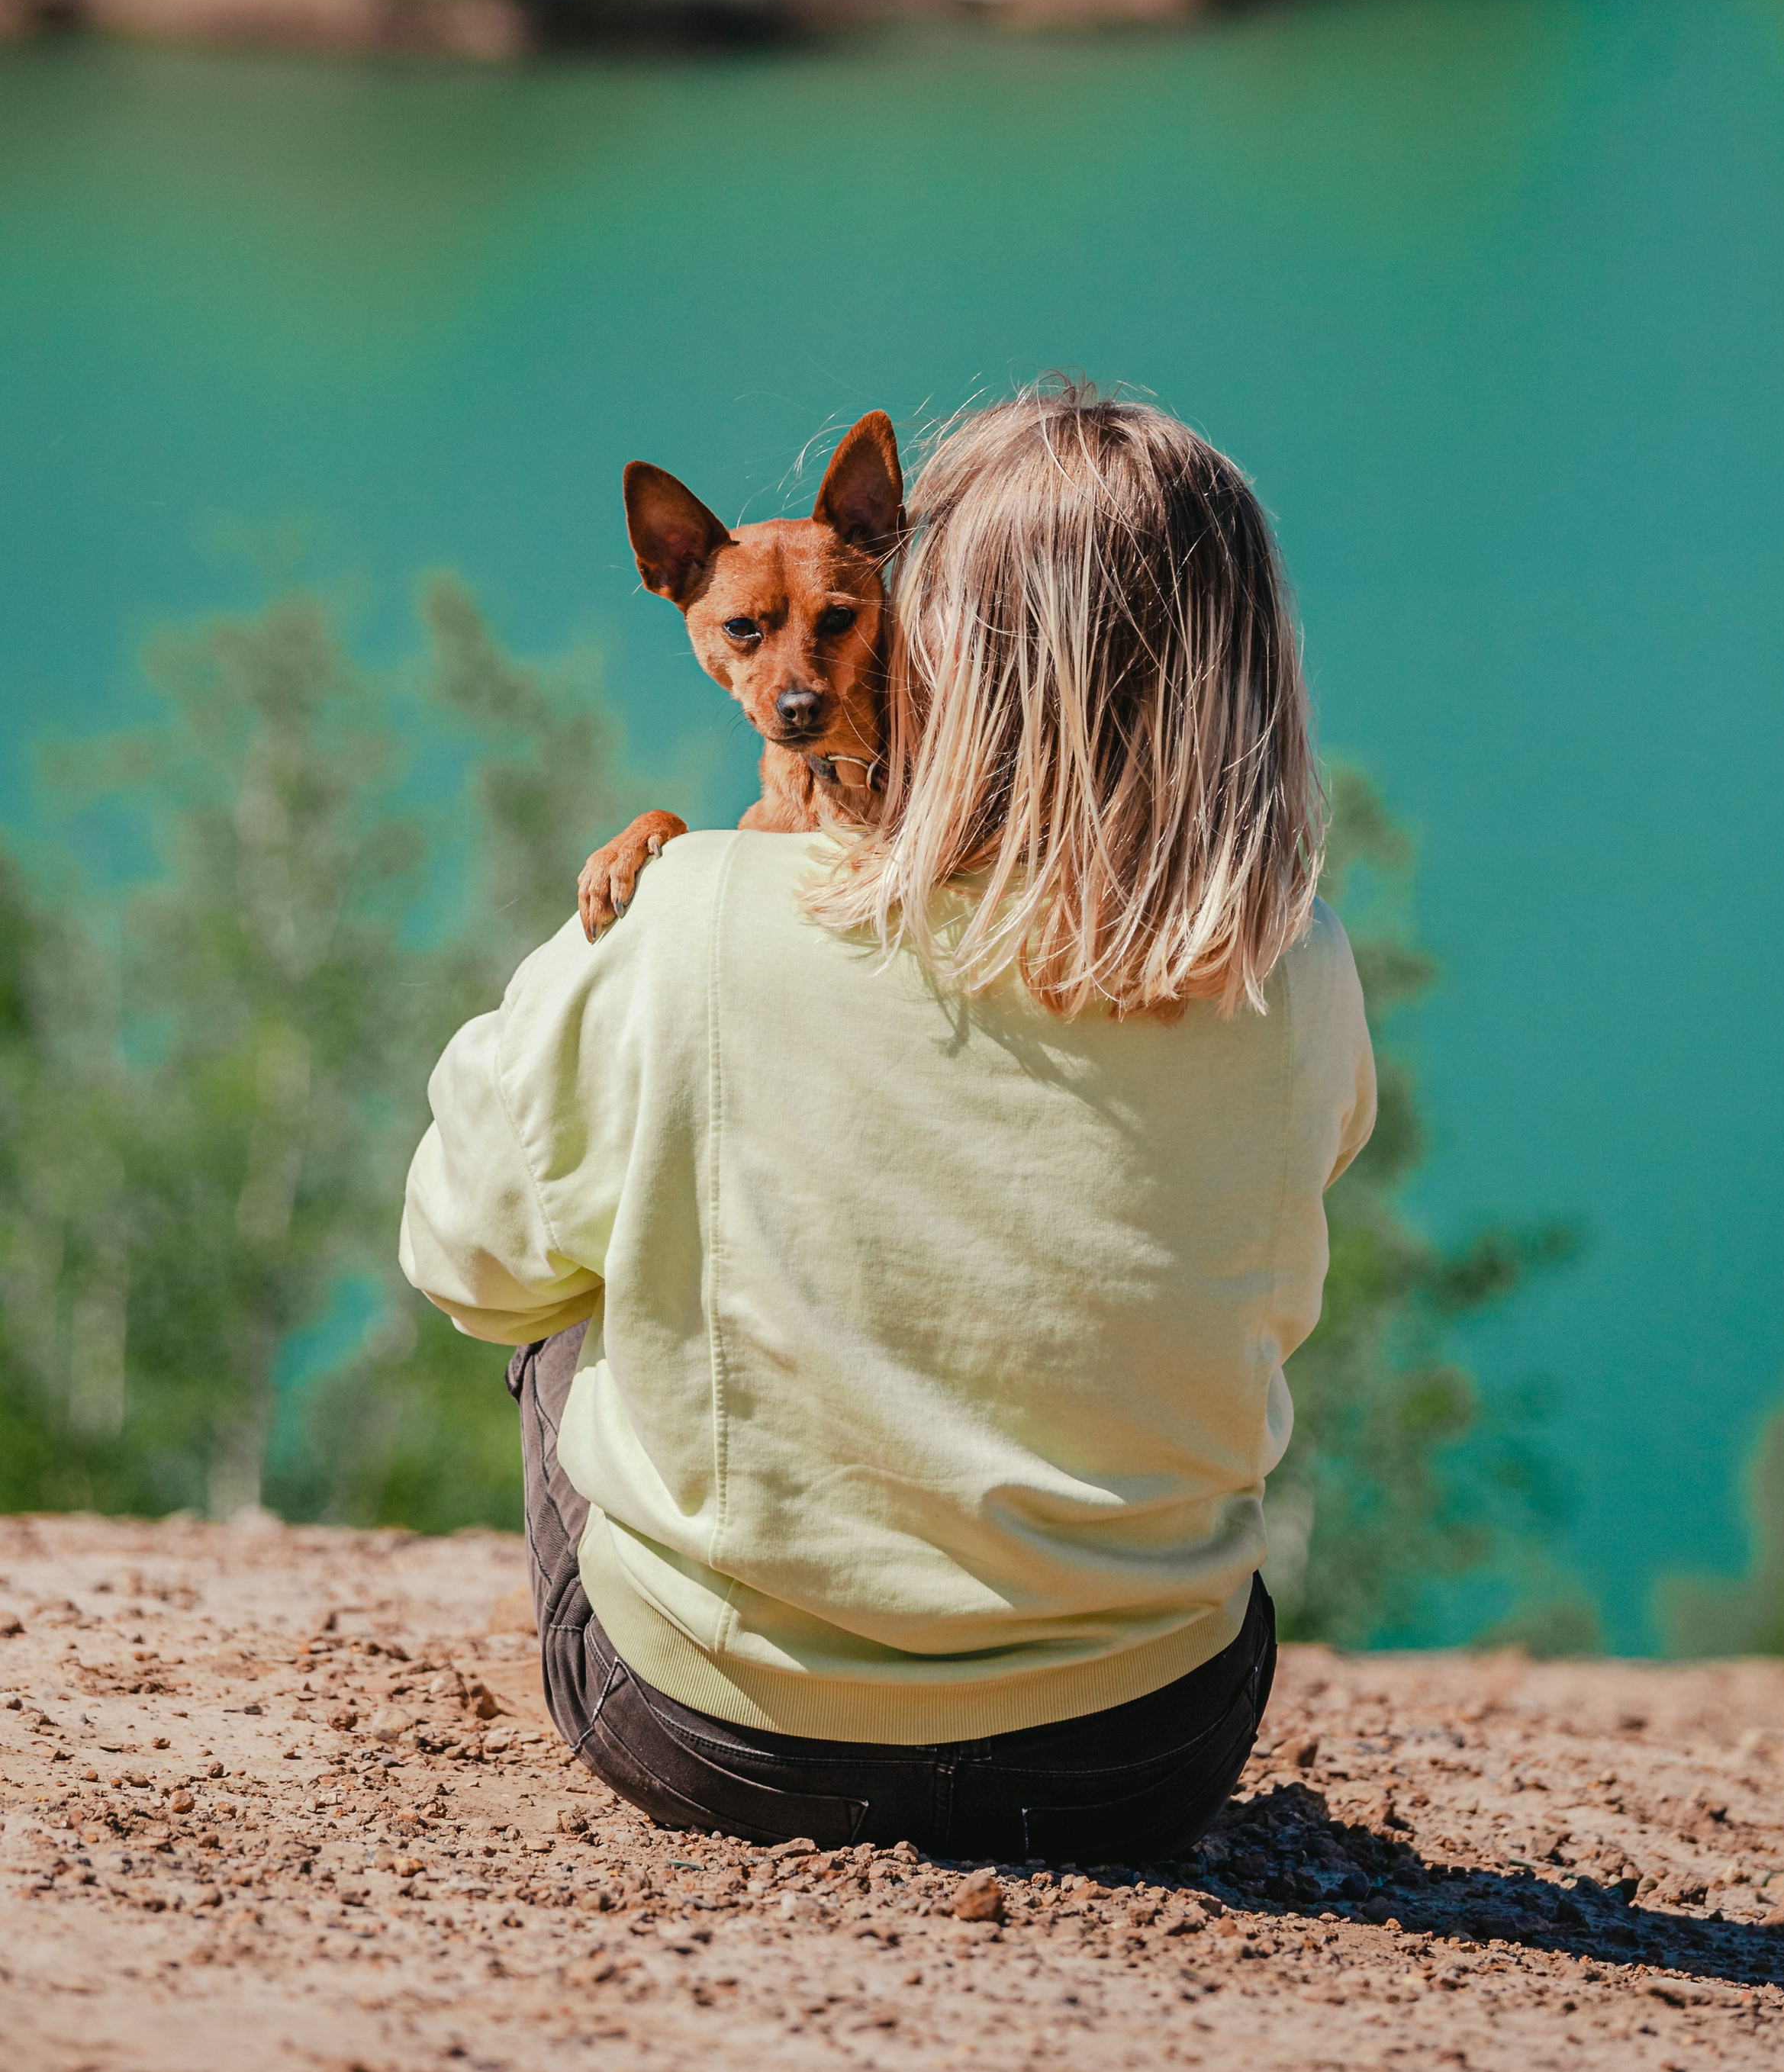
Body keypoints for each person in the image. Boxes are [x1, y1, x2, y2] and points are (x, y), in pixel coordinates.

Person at [399, 384, 1374, 1860]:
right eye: (752, 639)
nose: (797, 678)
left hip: (719, 1740)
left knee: (578, 1264)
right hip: (1141, 1753)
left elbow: (468, 1265)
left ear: (934, 616)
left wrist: (610, 1000)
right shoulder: (1286, 962)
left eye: (847, 623)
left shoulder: (680, 918)